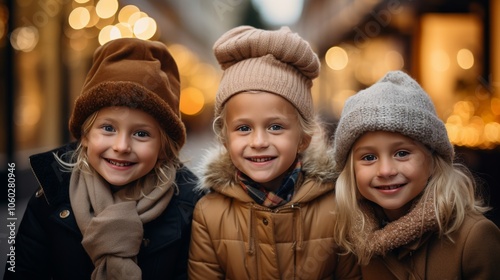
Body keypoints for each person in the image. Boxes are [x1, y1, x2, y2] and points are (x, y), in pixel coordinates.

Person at [4, 38, 203, 280]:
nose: (121, 146)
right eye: (108, 128)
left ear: (163, 148)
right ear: (85, 135)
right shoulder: (49, 197)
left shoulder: (188, 210)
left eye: (141, 134)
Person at [188, 25, 361, 279]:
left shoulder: (337, 207)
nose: (258, 141)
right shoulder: (209, 214)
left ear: (303, 138)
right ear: (225, 139)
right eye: (244, 128)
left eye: (275, 127)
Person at [331, 70, 500, 279]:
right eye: (368, 157)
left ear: (432, 160)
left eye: (402, 153)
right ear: (351, 170)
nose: (385, 171)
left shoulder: (474, 238)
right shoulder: (348, 238)